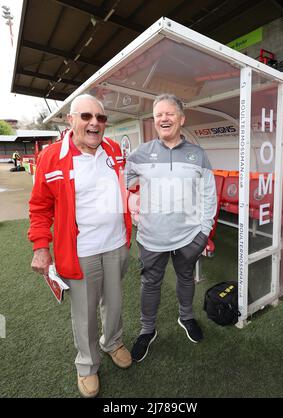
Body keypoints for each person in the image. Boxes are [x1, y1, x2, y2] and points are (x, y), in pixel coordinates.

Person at [28, 94, 132, 398]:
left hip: (116, 244)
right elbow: (39, 207)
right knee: (84, 312)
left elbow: (127, 186)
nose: (94, 123)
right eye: (86, 116)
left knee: (114, 302)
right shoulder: (51, 157)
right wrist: (40, 246)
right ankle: (87, 365)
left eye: (100, 118)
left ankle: (112, 342)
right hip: (79, 252)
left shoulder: (112, 149)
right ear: (70, 120)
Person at [126, 93, 217, 362]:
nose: (163, 119)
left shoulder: (197, 155)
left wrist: (203, 232)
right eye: (158, 115)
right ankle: (147, 329)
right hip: (151, 237)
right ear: (154, 121)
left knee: (186, 278)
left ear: (181, 119)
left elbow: (208, 195)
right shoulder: (140, 153)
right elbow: (122, 182)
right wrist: (133, 204)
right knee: (150, 283)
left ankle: (186, 318)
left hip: (189, 237)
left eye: (169, 114)